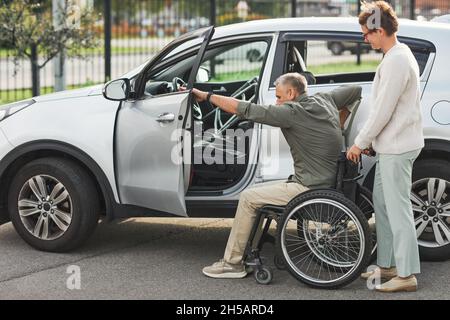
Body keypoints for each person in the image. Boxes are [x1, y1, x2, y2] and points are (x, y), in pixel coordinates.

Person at [191, 72, 362, 279]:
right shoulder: (325, 99)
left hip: (309, 188)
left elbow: (244, 109)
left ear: (291, 93)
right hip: (327, 181)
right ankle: (244, 252)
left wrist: (206, 96)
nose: (276, 101)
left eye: (279, 96)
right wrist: (340, 122)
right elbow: (356, 91)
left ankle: (232, 264)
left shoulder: (292, 112)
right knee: (260, 192)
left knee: (247, 197)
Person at [347, 1, 424, 292]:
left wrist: (359, 143)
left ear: (379, 30)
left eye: (367, 34)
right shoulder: (396, 56)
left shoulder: (396, 60)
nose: (365, 39)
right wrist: (373, 143)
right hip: (391, 145)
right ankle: (389, 264)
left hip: (397, 147)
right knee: (383, 203)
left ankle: (407, 275)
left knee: (397, 208)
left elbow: (383, 111)